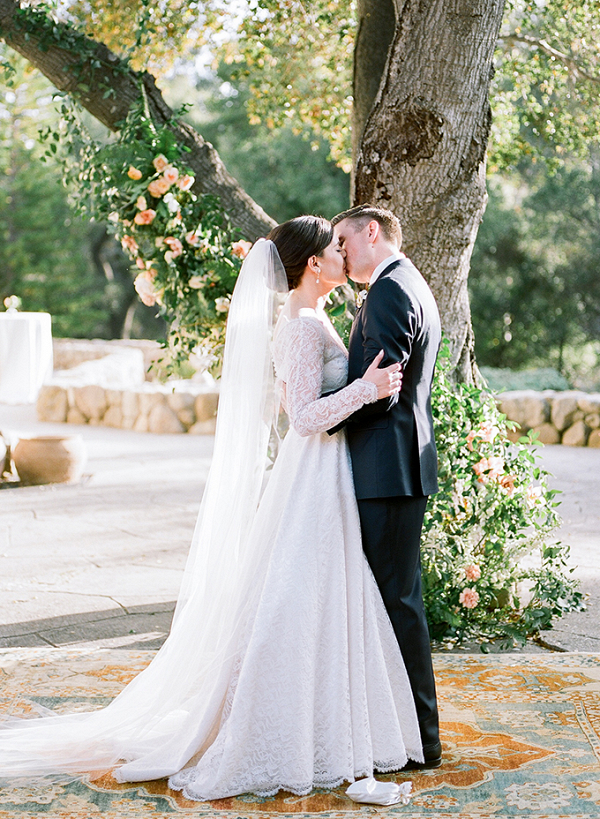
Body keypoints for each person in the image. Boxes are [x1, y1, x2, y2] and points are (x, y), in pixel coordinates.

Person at [0, 216, 423, 800]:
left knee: (323, 599)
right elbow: (302, 418)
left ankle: (328, 722)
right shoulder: (300, 326)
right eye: (334, 249)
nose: (343, 258)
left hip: (328, 473)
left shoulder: (314, 316)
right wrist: (365, 391)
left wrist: (356, 391)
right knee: (295, 601)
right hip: (312, 475)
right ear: (312, 264)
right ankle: (279, 729)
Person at [331, 205, 442, 769]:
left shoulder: (390, 291)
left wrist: (321, 415)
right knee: (395, 601)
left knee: (397, 603)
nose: (341, 252)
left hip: (386, 470)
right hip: (395, 467)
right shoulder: (409, 282)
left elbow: (381, 390)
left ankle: (420, 741)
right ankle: (398, 732)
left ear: (370, 232)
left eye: (344, 241)